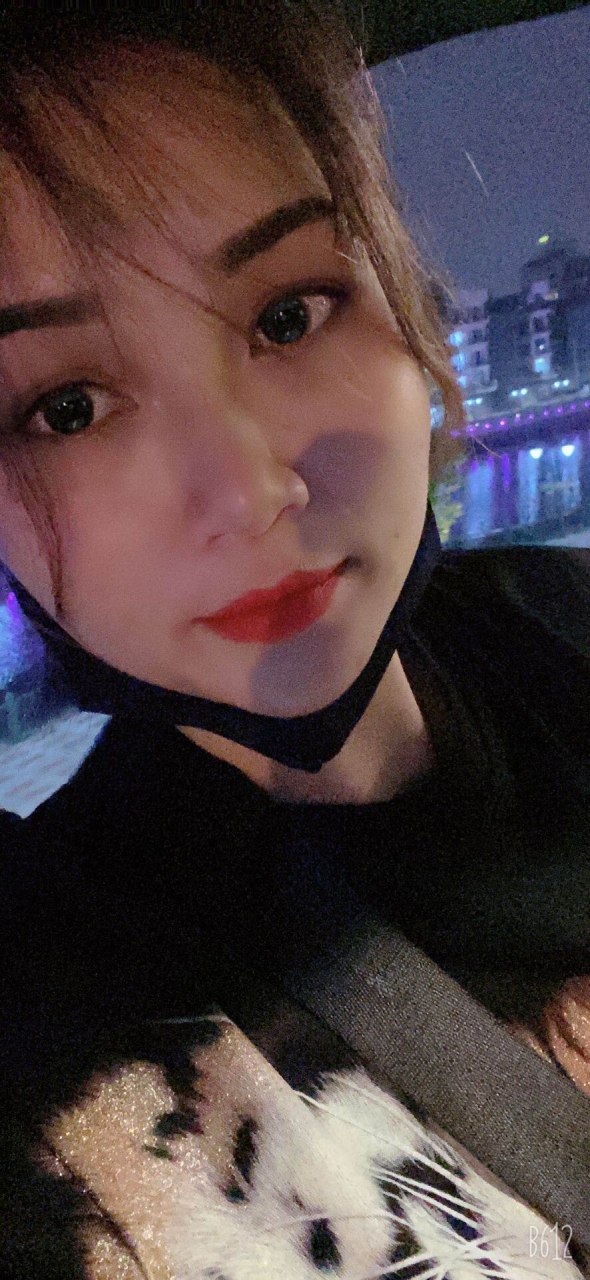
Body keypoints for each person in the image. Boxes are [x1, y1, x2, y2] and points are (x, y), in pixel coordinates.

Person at [0, 2, 588, 1275]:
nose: (248, 488)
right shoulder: (64, 998)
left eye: (287, 315)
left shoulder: (562, 621)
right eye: (69, 406)